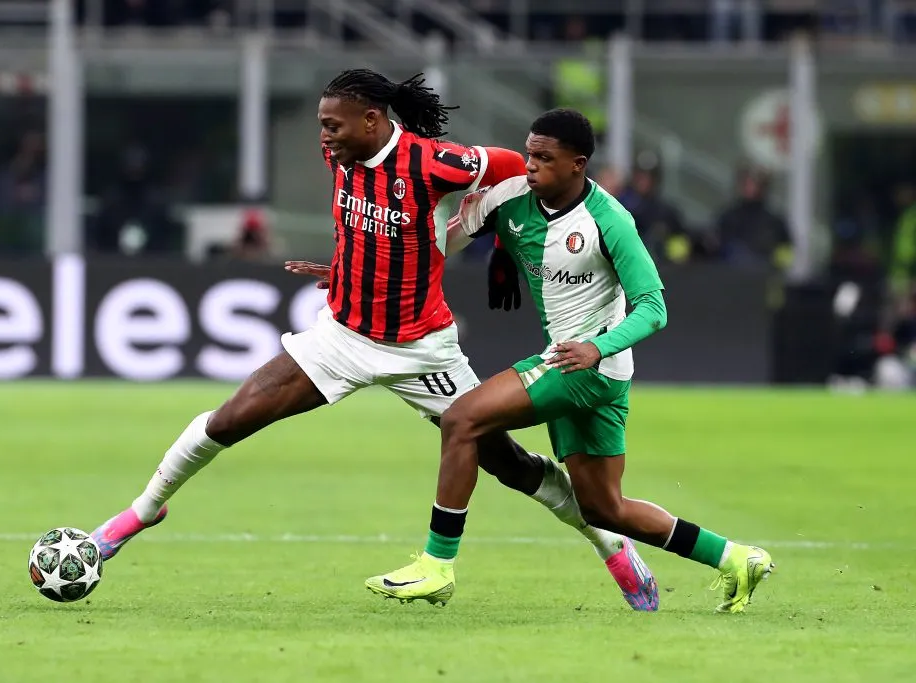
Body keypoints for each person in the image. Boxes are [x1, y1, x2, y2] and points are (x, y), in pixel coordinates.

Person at [90, 71, 659, 611]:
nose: (324, 137)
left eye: (332, 125)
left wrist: (508, 251)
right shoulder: (341, 155)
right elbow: (372, 230)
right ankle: (139, 513)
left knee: (506, 462)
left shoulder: (437, 162)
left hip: (424, 349)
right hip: (340, 337)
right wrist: (347, 270)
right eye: (321, 125)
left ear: (370, 120)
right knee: (229, 419)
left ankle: (610, 544)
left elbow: (515, 173)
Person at [367, 109, 774, 613]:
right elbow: (431, 250)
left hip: (587, 366)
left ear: (578, 164)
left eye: (544, 157)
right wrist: (357, 272)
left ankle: (437, 564)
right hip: (585, 369)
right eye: (528, 153)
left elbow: (654, 308)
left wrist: (596, 347)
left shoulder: (609, 220)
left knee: (460, 419)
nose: (530, 165)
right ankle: (735, 558)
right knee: (605, 508)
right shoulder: (509, 197)